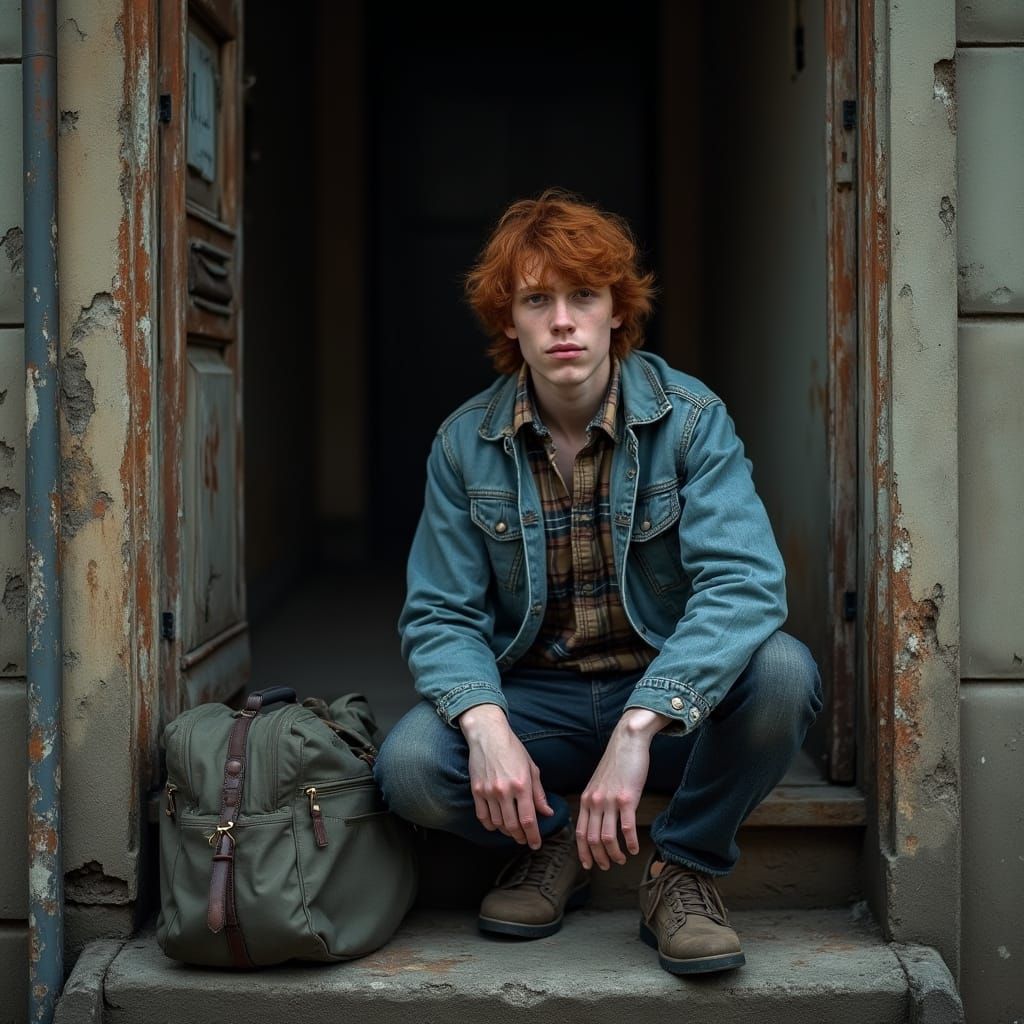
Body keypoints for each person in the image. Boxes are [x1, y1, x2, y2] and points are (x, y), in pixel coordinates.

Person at [373, 187, 823, 975]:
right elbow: (440, 615)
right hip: (535, 707)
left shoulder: (689, 420)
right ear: (508, 320)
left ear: (618, 309)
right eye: (536, 300)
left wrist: (643, 723)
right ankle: (549, 842)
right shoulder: (462, 444)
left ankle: (683, 865)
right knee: (411, 766)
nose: (562, 321)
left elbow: (746, 583)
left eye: (584, 296)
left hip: (670, 708)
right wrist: (485, 727)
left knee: (784, 673)